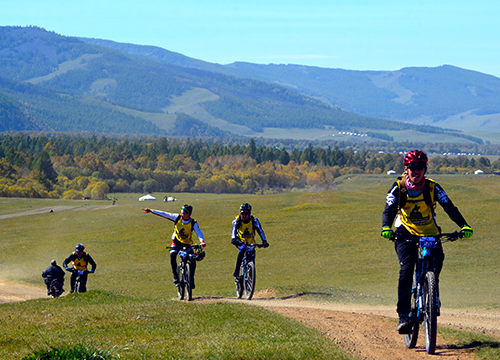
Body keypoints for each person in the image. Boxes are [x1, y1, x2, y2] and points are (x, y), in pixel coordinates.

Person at [381, 150, 473, 334]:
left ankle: (432, 292)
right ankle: (403, 316)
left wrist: (464, 225)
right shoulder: (398, 187)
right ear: (406, 169)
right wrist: (386, 227)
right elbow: (389, 210)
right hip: (405, 233)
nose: (416, 171)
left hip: (430, 233)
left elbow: (449, 207)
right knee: (407, 268)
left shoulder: (433, 188)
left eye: (420, 167)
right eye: (412, 168)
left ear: (425, 169)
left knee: (437, 261)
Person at [143, 204, 206, 287]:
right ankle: (175, 276)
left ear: (188, 214)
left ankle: (191, 279)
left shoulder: (193, 222)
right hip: (176, 243)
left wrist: (202, 241)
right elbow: (165, 214)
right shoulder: (177, 218)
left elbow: (198, 232)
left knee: (192, 259)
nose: (181, 215)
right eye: (181, 213)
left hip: (187, 244)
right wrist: (152, 211)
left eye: (183, 213)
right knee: (172, 255)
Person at [231, 203, 269, 278]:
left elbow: (260, 230)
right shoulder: (237, 220)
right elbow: (234, 230)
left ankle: (251, 279)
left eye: (246, 213)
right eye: (242, 213)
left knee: (251, 256)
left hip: (250, 242)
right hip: (240, 240)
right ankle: (237, 271)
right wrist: (233, 238)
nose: (244, 215)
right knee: (242, 249)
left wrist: (264, 241)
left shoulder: (254, 220)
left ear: (250, 213)